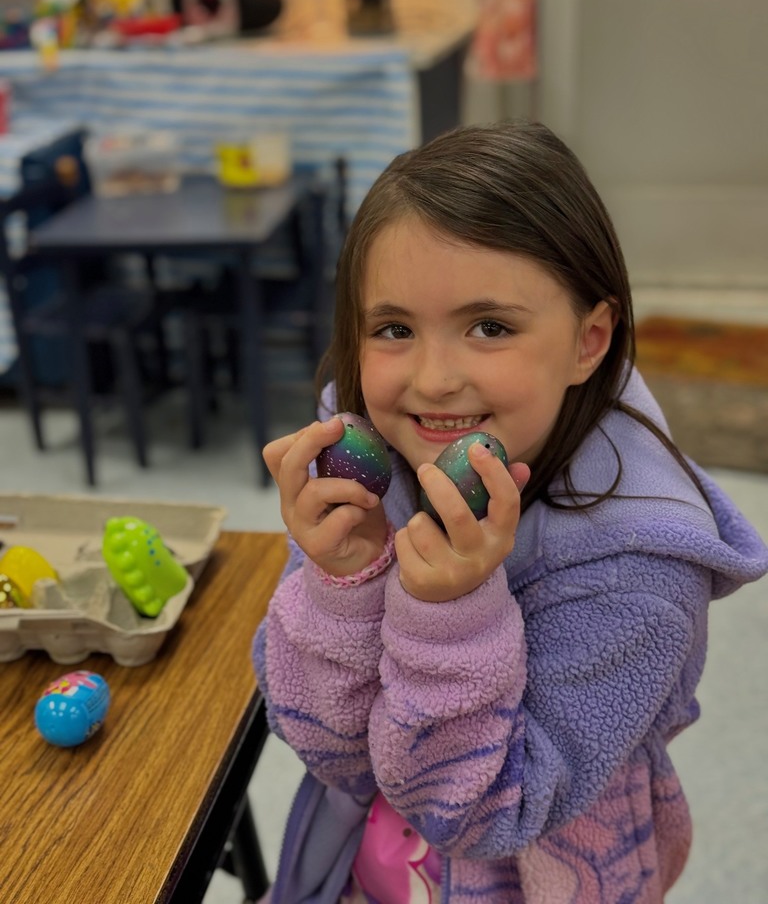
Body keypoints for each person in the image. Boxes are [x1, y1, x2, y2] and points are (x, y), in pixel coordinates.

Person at [253, 121, 768, 904]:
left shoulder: (639, 575)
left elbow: (481, 816)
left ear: (589, 340)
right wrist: (340, 582)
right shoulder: (367, 460)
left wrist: (448, 614)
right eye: (393, 329)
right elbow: (328, 748)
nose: (433, 379)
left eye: (490, 327)